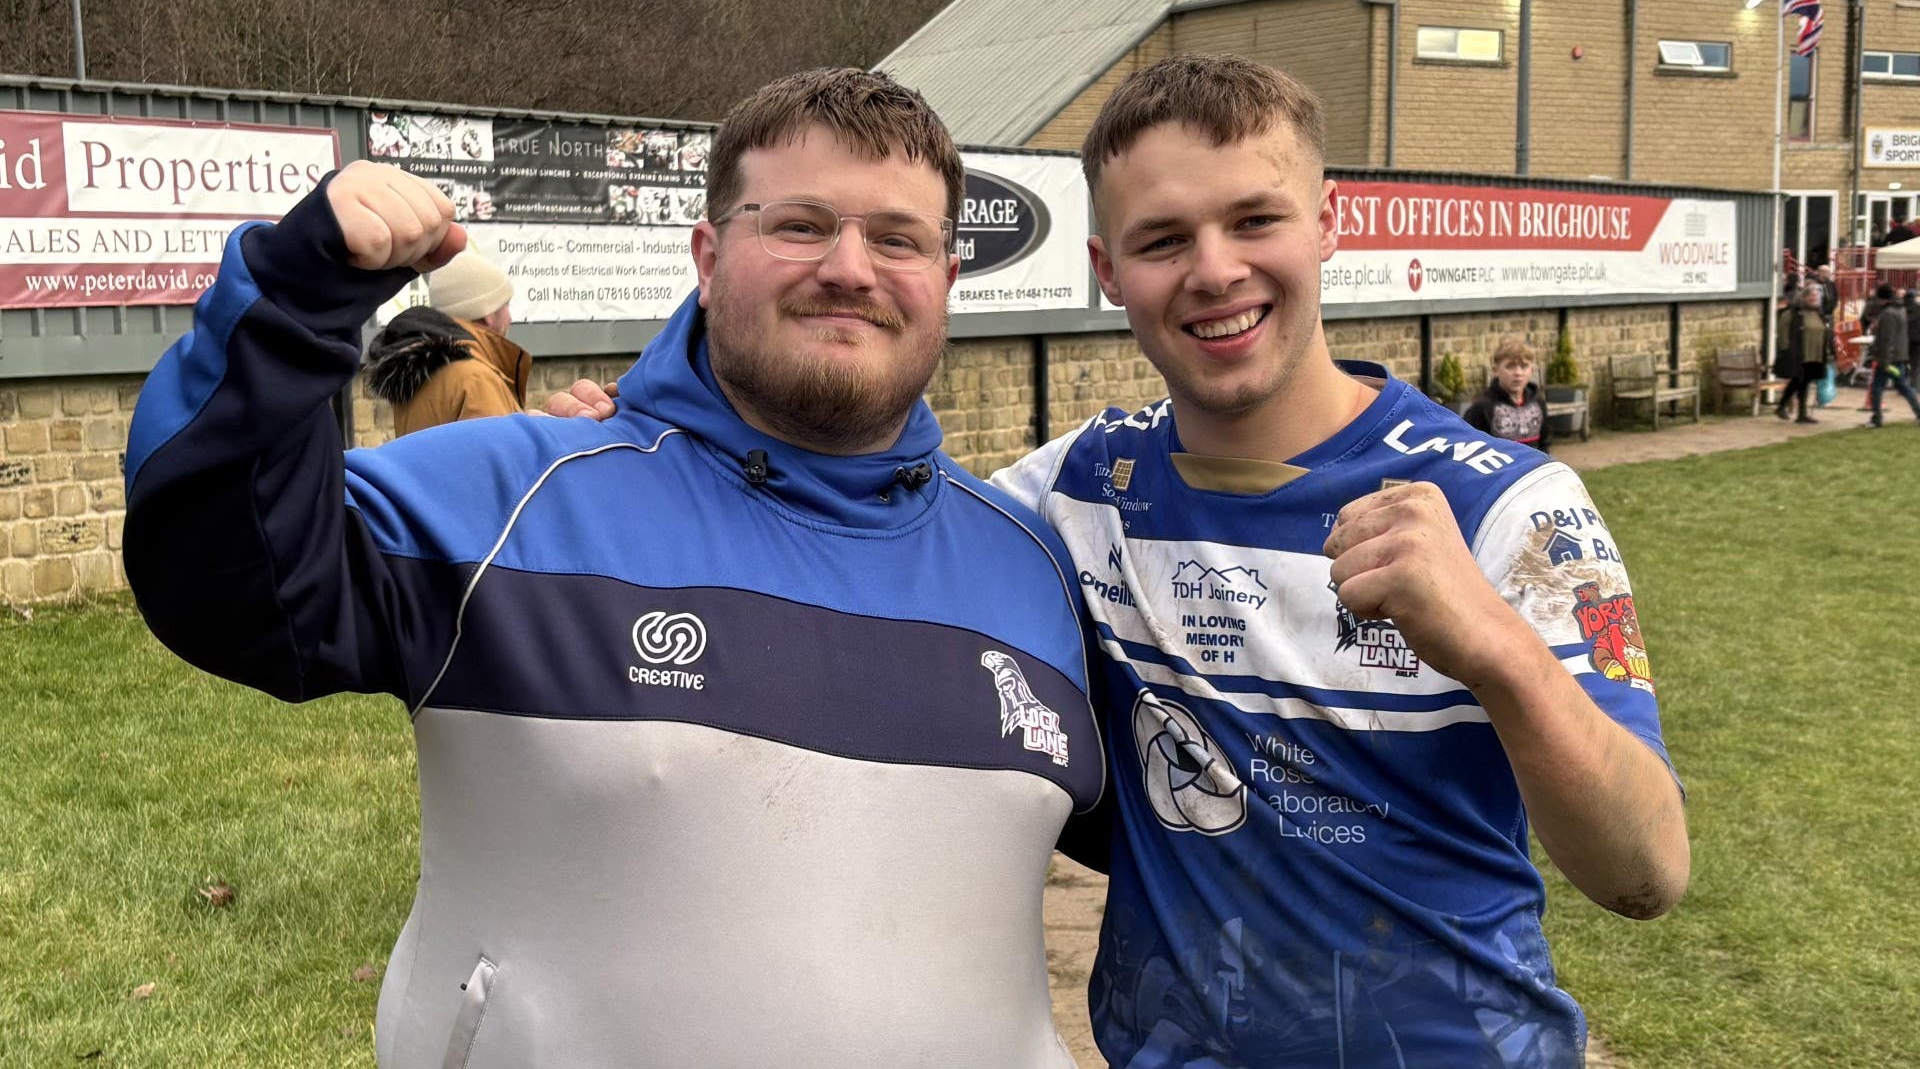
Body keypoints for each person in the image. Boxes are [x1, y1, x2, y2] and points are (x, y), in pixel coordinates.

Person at [550, 55, 1689, 1067]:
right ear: (1106, 266)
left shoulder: (1509, 506)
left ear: (1328, 223)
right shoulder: (1073, 493)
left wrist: (1498, 649)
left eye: (1256, 220)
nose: (1214, 269)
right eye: (1162, 240)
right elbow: (849, 531)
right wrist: (662, 453)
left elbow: (1646, 870)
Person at [122, 69, 1102, 1068]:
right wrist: (294, 304)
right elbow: (224, 578)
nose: (850, 266)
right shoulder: (509, 500)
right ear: (709, 255)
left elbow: (1208, 843)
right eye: (800, 224)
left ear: (945, 272)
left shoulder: (1034, 570)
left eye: (898, 237)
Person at [365, 249, 530, 435]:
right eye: (506, 305)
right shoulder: (475, 379)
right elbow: (500, 459)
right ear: (489, 313)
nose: (510, 318)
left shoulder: (420, 370)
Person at [1461, 334, 1552, 452]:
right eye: (1510, 366)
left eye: (1524, 366)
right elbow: (1468, 448)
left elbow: (1544, 444)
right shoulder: (1483, 407)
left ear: (1531, 370)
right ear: (1496, 371)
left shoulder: (1538, 402)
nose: (1518, 373)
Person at [1774, 284, 1829, 424]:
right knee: (1798, 380)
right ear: (1804, 297)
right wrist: (1785, 349)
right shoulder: (1793, 314)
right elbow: (1783, 332)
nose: (1814, 299)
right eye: (1811, 296)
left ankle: (1801, 414)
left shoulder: (1819, 313)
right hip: (1799, 353)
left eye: (1816, 296)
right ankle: (1783, 406)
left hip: (1815, 354)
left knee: (1805, 383)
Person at [1867, 284, 1920, 427]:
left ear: (1882, 298)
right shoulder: (1901, 309)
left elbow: (1886, 339)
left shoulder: (1888, 314)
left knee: (1877, 387)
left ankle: (1877, 418)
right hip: (1900, 355)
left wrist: (1884, 361)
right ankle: (1918, 412)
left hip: (1889, 357)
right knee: (1903, 386)